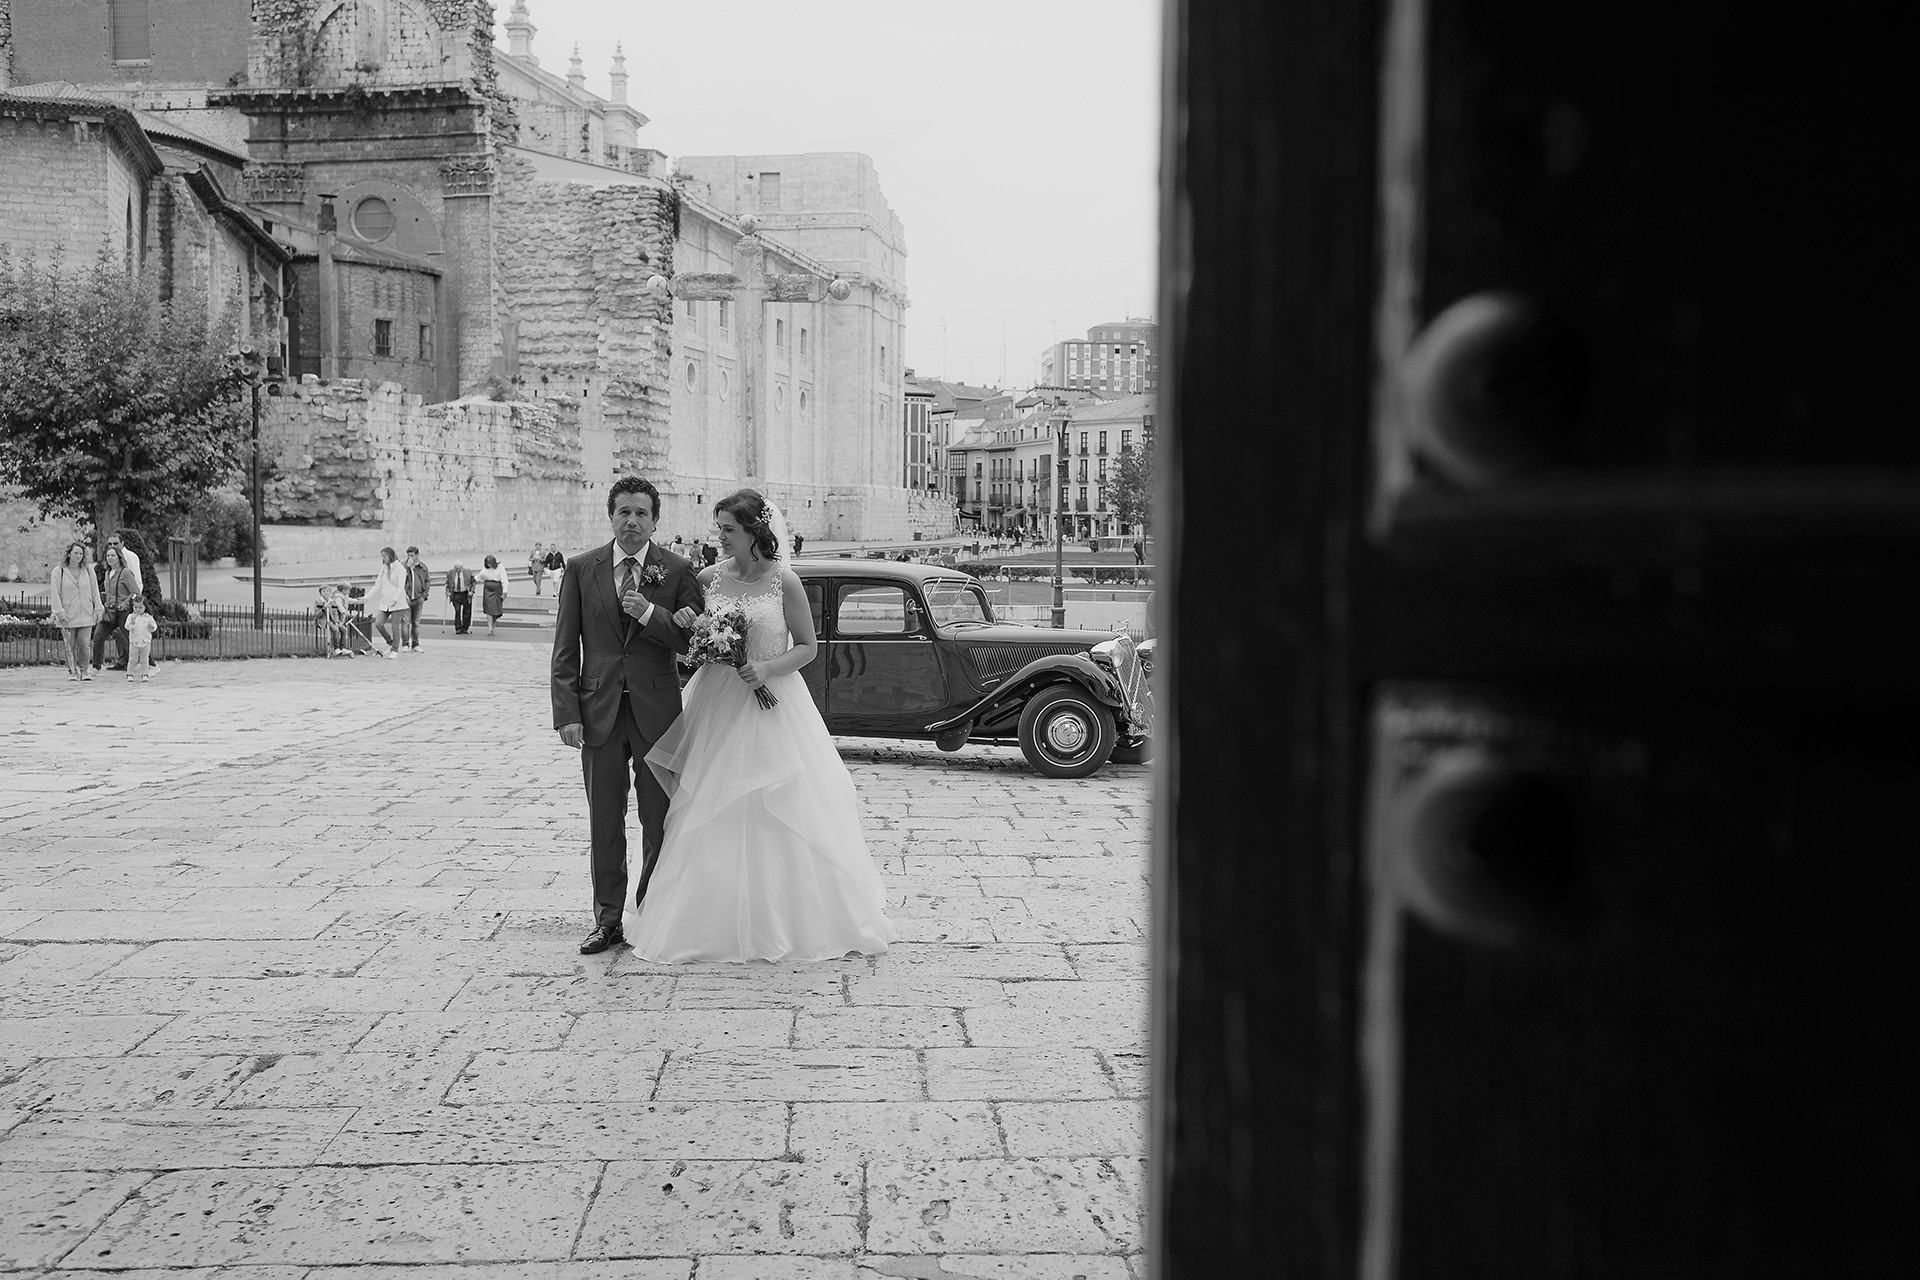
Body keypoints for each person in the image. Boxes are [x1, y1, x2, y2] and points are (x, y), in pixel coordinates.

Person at [629, 488, 897, 963]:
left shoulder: (784, 581)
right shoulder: (709, 578)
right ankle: (709, 921)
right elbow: (690, 631)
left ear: (755, 531)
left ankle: (787, 919)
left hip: (774, 705)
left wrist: (768, 670)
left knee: (778, 807)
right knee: (712, 806)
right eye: (718, 529)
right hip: (719, 703)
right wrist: (697, 629)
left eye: (728, 530)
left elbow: (808, 647)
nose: (719, 538)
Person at [551, 476, 704, 956]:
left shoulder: (679, 570)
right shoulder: (580, 569)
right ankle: (609, 919)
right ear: (610, 516)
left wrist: (649, 615)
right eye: (624, 512)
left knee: (658, 818)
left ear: (655, 520)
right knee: (604, 819)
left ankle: (652, 912)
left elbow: (693, 644)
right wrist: (566, 713)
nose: (632, 521)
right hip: (598, 712)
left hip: (657, 713)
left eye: (641, 513)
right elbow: (564, 648)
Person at [50, 541, 102, 681]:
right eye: (76, 553)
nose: (78, 556)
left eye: (81, 553)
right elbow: (55, 594)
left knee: (84, 644)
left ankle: (84, 671)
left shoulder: (88, 570)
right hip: (67, 614)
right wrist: (59, 612)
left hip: (85, 612)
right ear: (69, 554)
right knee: (70, 644)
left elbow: (94, 590)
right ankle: (72, 671)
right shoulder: (58, 571)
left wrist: (98, 609)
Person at [93, 546, 139, 672]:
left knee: (132, 638)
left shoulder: (125, 573)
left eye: (113, 555)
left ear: (119, 557)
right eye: (108, 556)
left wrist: (126, 603)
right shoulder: (107, 573)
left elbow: (135, 592)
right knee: (98, 637)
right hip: (109, 611)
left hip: (122, 612)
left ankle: (148, 662)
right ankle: (96, 666)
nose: (110, 558)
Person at [364, 547, 408, 659]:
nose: (383, 559)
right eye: (382, 557)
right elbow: (377, 584)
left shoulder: (400, 568)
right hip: (385, 601)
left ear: (390, 555)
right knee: (378, 623)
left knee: (395, 627)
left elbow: (401, 587)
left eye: (385, 556)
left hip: (397, 602)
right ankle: (390, 642)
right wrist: (367, 597)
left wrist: (396, 599)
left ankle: (395, 649)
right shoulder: (383, 568)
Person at [124, 596, 158, 682]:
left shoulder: (148, 617)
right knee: (132, 659)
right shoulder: (131, 616)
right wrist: (132, 622)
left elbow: (154, 627)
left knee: (144, 659)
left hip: (145, 642)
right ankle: (129, 674)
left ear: (145, 607)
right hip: (134, 642)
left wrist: (152, 627)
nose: (138, 609)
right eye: (135, 607)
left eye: (140, 607)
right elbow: (127, 627)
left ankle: (145, 674)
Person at [402, 546, 430, 650]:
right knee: (405, 622)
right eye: (408, 555)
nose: (410, 557)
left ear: (417, 555)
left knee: (416, 622)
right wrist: (407, 568)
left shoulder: (422, 567)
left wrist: (424, 595)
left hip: (418, 597)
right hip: (407, 598)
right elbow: (400, 580)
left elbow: (427, 581)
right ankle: (405, 644)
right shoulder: (403, 566)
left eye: (412, 555)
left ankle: (415, 644)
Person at [475, 555, 509, 636]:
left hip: (497, 589)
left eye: (490, 563)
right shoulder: (485, 568)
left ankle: (493, 627)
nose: (489, 565)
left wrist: (505, 591)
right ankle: (490, 627)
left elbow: (504, 579)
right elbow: (480, 576)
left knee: (496, 610)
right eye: (487, 563)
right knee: (489, 609)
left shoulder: (500, 567)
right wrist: (473, 580)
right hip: (487, 590)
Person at [446, 562, 476, 635]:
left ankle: (465, 628)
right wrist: (447, 591)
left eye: (459, 569)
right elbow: (447, 583)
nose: (458, 570)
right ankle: (458, 628)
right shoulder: (450, 573)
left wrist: (472, 591)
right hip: (456, 594)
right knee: (457, 610)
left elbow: (473, 583)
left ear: (462, 567)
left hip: (465, 593)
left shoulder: (468, 572)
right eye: (456, 569)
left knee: (467, 611)